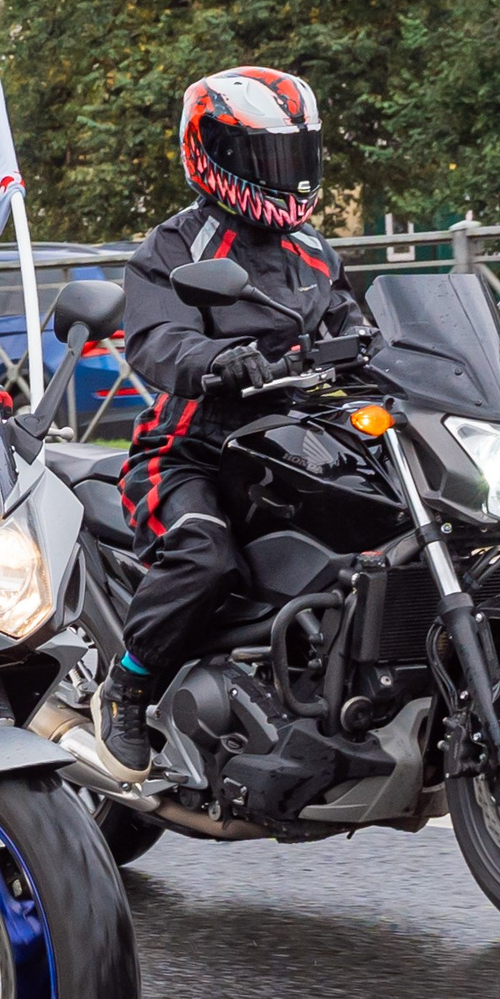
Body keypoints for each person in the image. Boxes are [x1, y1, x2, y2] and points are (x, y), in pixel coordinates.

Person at [94, 65, 358, 776]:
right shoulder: (174, 250)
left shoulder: (315, 253)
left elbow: (358, 328)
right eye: (271, 158)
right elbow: (156, 340)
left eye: (296, 155)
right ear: (215, 154)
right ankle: (129, 684)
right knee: (207, 552)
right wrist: (219, 360)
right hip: (194, 450)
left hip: (298, 445)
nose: (289, 175)